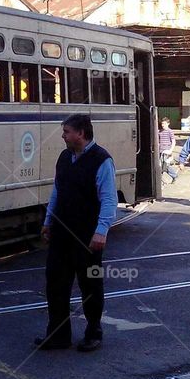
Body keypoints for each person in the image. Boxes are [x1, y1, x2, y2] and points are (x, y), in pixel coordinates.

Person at [37, 114, 117, 353]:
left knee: (90, 284)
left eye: (67, 132)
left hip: (87, 235)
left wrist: (101, 231)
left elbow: (109, 199)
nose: (63, 136)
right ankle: (58, 335)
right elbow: (57, 191)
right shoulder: (64, 157)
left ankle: (93, 332)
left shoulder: (102, 160)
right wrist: (48, 220)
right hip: (62, 232)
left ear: (81, 133)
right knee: (56, 283)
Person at [158, 117, 178, 183]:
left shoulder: (170, 131)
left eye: (164, 123)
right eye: (162, 123)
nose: (163, 125)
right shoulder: (160, 132)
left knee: (165, 166)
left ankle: (174, 175)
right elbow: (158, 142)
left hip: (167, 152)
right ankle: (160, 180)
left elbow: (173, 142)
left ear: (168, 124)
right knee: (159, 166)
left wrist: (170, 151)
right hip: (160, 152)